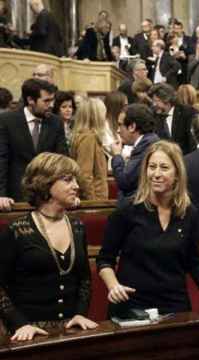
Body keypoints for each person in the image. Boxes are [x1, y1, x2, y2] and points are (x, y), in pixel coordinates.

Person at [98, 140, 199, 317]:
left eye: (164, 168)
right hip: (132, 307)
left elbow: (195, 262)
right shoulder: (127, 210)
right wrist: (114, 286)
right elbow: (105, 260)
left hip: (174, 307)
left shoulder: (189, 213)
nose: (156, 174)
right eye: (152, 167)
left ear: (177, 175)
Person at [0, 153, 97, 341]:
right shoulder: (17, 230)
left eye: (76, 180)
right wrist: (19, 323)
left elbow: (84, 278)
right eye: (68, 180)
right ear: (45, 183)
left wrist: (80, 313)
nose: (76, 186)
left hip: (71, 329)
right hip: (28, 333)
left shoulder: (77, 227)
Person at [0, 79, 67, 208]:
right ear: (31, 100)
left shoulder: (56, 122)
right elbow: (1, 160)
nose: (52, 105)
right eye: (46, 101)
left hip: (47, 197)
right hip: (14, 197)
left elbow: (62, 160)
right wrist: (0, 195)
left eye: (52, 100)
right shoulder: (7, 121)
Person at [110, 104, 159, 206]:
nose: (118, 131)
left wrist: (117, 156)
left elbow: (124, 182)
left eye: (120, 125)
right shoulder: (148, 142)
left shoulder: (146, 146)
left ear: (132, 127)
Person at [70, 98, 109, 200]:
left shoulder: (86, 136)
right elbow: (84, 175)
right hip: (95, 199)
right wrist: (92, 202)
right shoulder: (88, 138)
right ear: (95, 117)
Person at [148, 83, 197, 155]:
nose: (154, 104)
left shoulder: (188, 113)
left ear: (167, 99)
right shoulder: (153, 115)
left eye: (157, 101)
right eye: (153, 101)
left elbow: (193, 143)